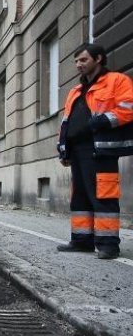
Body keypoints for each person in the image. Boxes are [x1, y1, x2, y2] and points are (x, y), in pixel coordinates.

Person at [56, 43, 133, 260]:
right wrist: (63, 146)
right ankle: (82, 241)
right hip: (78, 151)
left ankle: (108, 245)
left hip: (101, 149)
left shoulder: (117, 81)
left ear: (98, 59)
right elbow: (66, 121)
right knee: (79, 197)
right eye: (76, 61)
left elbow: (128, 108)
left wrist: (100, 121)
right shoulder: (76, 90)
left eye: (83, 60)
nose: (78, 65)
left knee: (103, 196)